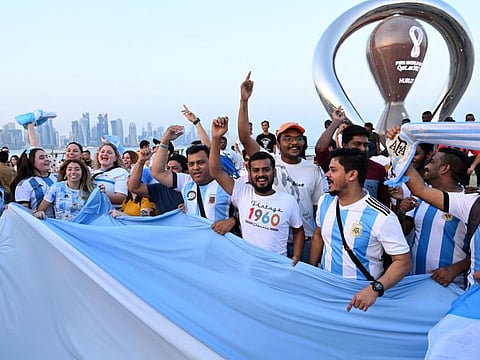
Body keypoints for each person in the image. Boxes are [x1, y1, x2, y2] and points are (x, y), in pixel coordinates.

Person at [309, 148, 411, 312]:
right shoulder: (325, 201)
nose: (327, 174)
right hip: (326, 293)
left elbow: (403, 262)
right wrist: (312, 271)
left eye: (333, 170)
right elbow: (318, 235)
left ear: (352, 175)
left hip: (360, 300)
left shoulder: (382, 216)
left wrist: (374, 289)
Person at [237, 72, 325, 262]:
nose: (294, 143)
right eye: (288, 139)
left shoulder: (313, 169)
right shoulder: (268, 162)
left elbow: (318, 208)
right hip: (274, 239)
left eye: (298, 139)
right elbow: (244, 137)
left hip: (306, 239)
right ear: (278, 143)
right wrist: (244, 101)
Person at [210, 116, 304, 264]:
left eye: (266, 170)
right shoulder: (242, 192)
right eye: (256, 170)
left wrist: (297, 257)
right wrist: (216, 138)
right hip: (249, 264)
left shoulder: (288, 201)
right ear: (249, 172)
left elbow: (298, 231)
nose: (261, 174)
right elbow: (216, 171)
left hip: (278, 266)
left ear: (274, 172)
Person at [398, 148, 470, 289]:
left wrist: (453, 270)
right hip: (415, 283)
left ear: (445, 169)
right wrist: (401, 212)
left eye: (432, 162)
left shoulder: (467, 201)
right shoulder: (420, 198)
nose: (426, 166)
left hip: (450, 286)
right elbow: (404, 232)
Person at [150, 126, 235, 235]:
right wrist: (165, 140)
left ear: (210, 162)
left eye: (200, 163)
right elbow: (157, 172)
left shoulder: (226, 184)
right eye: (191, 164)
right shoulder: (186, 182)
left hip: (220, 247)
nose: (195, 167)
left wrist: (232, 221)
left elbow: (246, 209)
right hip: (194, 245)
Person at [128, 149, 185, 215]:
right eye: (168, 168)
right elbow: (134, 187)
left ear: (185, 171)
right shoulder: (160, 188)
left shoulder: (193, 188)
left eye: (175, 168)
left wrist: (189, 207)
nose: (170, 171)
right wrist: (141, 161)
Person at [11, 147, 58, 217]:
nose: (47, 160)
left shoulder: (57, 177)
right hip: (42, 225)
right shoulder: (24, 185)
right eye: (42, 158)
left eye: (47, 156)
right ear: (31, 162)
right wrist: (36, 213)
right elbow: (23, 210)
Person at [91, 142, 129, 209]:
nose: (105, 154)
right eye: (102, 152)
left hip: (111, 213)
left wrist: (104, 194)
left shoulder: (120, 173)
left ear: (115, 158)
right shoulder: (92, 173)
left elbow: (122, 198)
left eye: (109, 152)